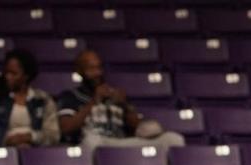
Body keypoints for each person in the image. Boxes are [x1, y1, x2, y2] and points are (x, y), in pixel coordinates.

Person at [57, 49, 185, 152]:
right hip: (96, 143)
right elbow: (66, 128)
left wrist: (124, 105)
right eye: (91, 69)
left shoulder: (114, 94)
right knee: (92, 142)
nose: (97, 73)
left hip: (121, 143)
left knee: (173, 139)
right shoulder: (70, 96)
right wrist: (94, 102)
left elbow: (138, 127)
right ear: (80, 72)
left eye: (99, 68)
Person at [0, 49, 60, 149]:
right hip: (0, 151)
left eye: (13, 73)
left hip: (36, 153)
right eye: (6, 72)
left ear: (26, 76)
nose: (8, 77)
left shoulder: (42, 99)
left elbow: (53, 135)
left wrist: (31, 137)